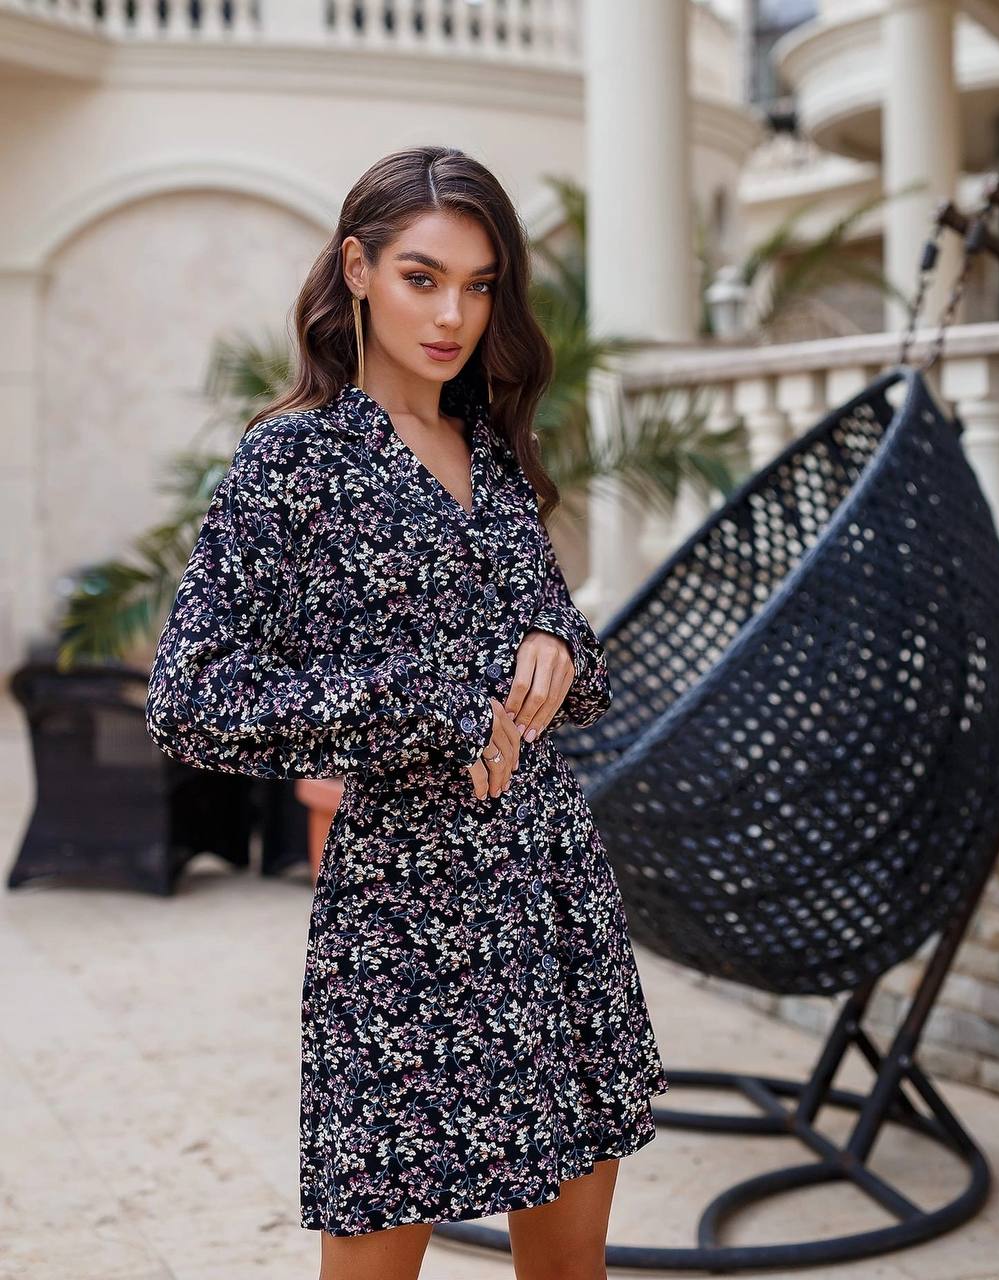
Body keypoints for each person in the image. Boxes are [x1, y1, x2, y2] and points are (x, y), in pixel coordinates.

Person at [145, 144, 669, 1280]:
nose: (453, 314)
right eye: (423, 277)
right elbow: (188, 698)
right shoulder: (291, 460)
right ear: (359, 269)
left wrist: (556, 646)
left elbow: (579, 668)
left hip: (547, 888)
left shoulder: (490, 443)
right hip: (403, 916)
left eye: (479, 286)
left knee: (572, 1268)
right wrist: (417, 706)